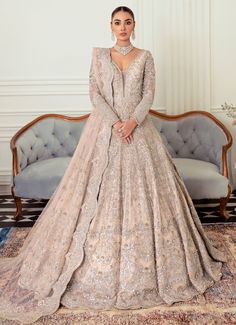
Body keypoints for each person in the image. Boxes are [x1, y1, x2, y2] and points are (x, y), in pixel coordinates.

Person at [0, 6, 227, 324]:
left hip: (138, 131)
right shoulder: (98, 56)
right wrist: (115, 123)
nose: (123, 27)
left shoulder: (145, 56)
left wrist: (132, 122)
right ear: (110, 26)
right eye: (117, 22)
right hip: (104, 132)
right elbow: (94, 94)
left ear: (135, 25)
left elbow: (149, 94)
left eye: (128, 22)